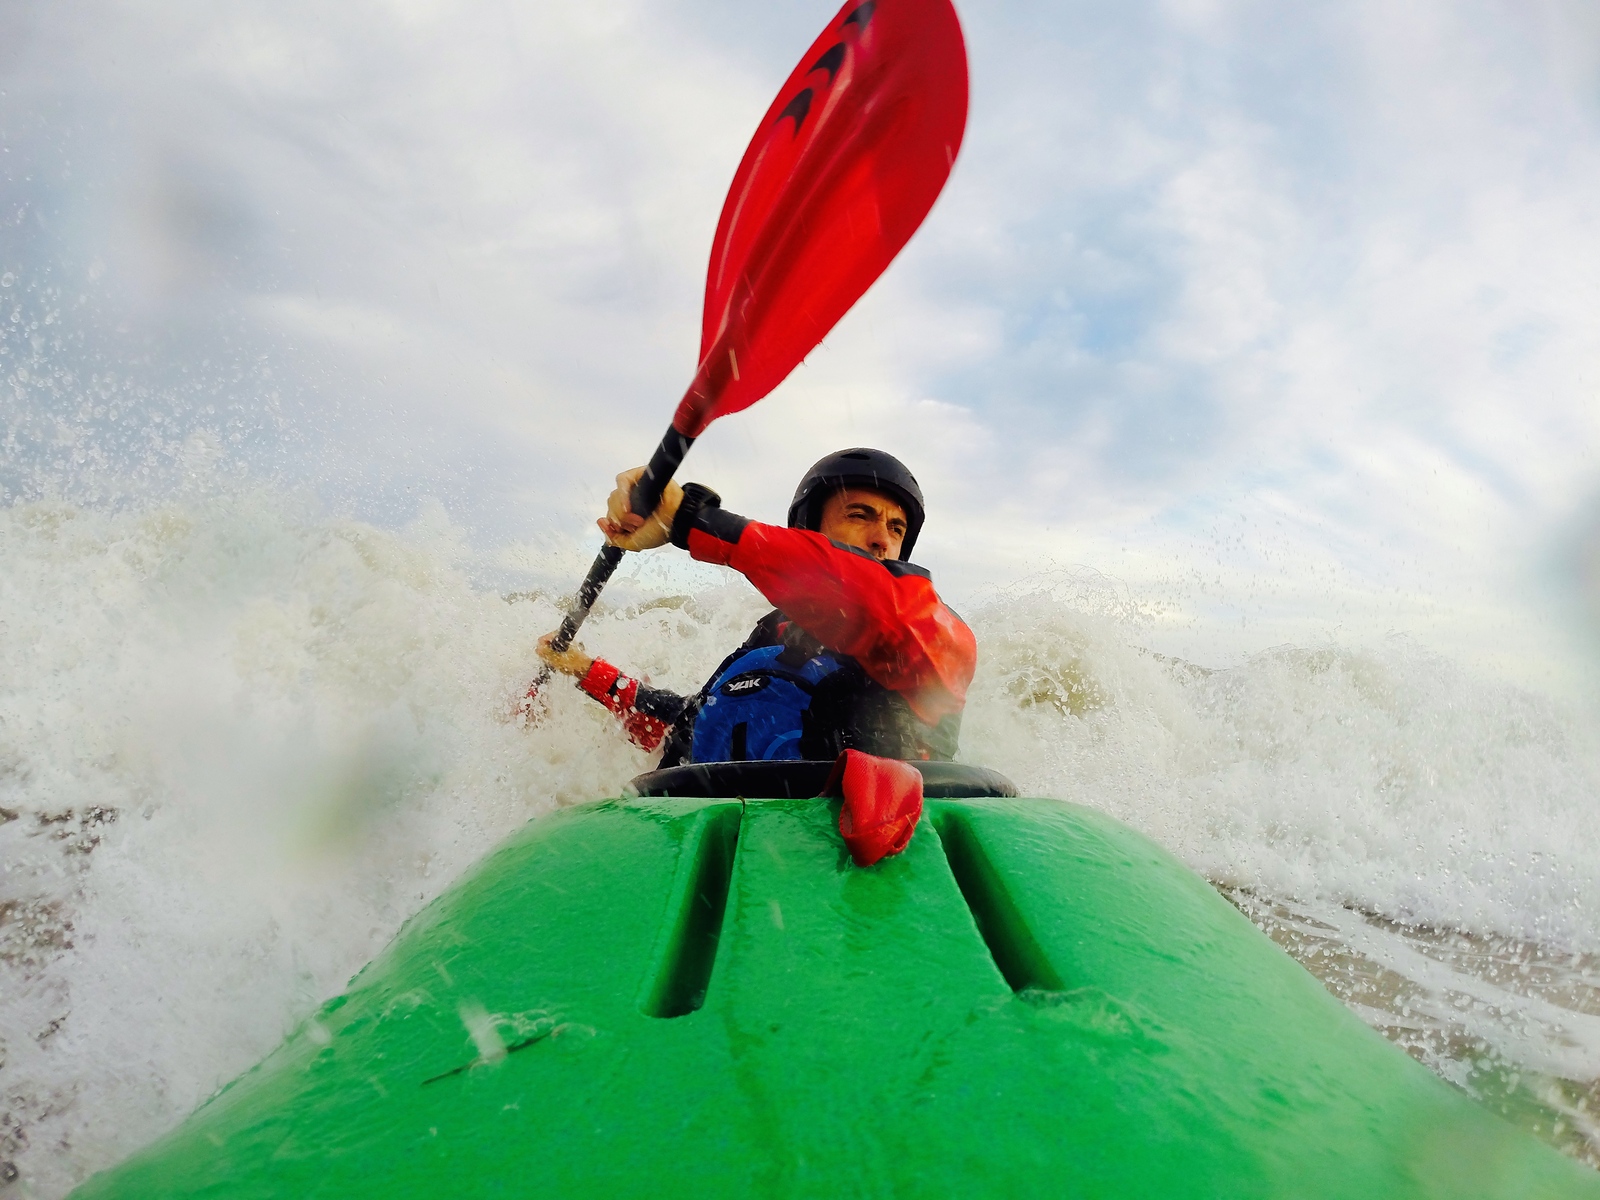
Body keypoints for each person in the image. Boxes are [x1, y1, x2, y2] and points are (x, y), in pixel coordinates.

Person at [536, 448, 977, 767]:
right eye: (860, 515)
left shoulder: (931, 632)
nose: (883, 536)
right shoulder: (776, 636)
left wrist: (692, 520)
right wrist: (584, 671)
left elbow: (875, 601)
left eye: (896, 526)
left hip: (870, 860)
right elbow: (691, 729)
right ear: (811, 530)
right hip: (745, 851)